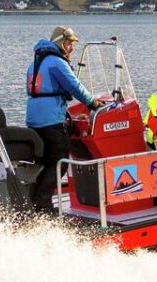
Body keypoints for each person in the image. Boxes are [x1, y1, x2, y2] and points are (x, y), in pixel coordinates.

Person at [24, 25, 106, 212]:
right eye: (69, 43)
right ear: (60, 43)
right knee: (61, 160)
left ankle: (33, 200)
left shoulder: (35, 63)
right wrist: (93, 103)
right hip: (50, 120)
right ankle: (42, 203)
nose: (72, 47)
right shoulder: (57, 62)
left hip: (34, 119)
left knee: (46, 161)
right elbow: (75, 86)